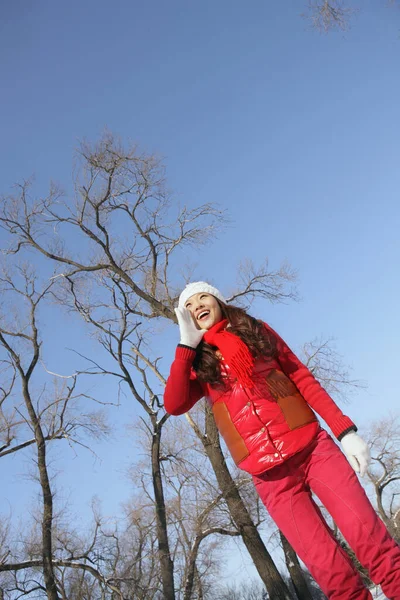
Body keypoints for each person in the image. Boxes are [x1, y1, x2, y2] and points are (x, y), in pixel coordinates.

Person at [164, 281, 400, 600]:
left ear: (218, 300)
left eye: (202, 297)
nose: (197, 306)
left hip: (313, 450)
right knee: (332, 574)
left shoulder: (255, 331)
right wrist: (185, 347)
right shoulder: (197, 365)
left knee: (371, 541)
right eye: (189, 307)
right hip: (271, 479)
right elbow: (174, 404)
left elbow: (301, 375)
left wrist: (345, 431)